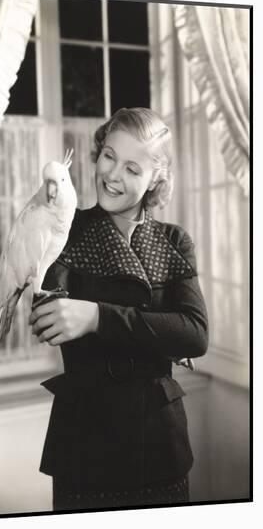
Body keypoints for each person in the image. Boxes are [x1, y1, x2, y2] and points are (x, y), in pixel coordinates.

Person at [29, 107, 209, 512]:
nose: (112, 175)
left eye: (132, 168)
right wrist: (159, 335)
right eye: (109, 156)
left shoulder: (174, 240)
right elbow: (49, 321)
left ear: (154, 180)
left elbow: (195, 334)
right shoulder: (64, 229)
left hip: (158, 446)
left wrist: (95, 316)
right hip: (85, 446)